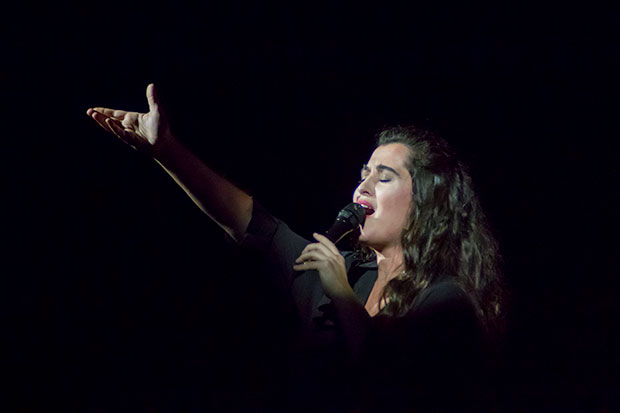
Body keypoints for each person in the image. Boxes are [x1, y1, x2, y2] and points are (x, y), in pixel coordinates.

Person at [87, 84, 506, 410]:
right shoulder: (340, 275)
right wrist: (167, 151)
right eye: (364, 172)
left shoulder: (445, 301)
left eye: (384, 176)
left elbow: (394, 389)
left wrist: (342, 296)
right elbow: (256, 224)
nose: (362, 184)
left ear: (426, 201)